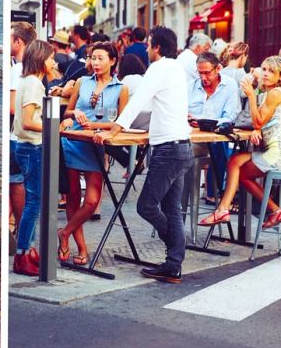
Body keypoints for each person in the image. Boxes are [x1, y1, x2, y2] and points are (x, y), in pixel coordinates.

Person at [95, 27, 194, 284]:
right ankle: (173, 265)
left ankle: (175, 247)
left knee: (146, 205)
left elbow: (138, 100)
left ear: (157, 47)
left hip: (169, 149)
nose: (147, 50)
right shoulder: (176, 69)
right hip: (182, 146)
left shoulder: (159, 68)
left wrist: (115, 129)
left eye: (150, 45)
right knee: (172, 208)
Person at [200, 56, 281, 229]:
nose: (266, 74)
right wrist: (257, 129)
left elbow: (258, 121)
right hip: (272, 149)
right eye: (264, 69)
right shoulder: (269, 93)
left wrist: (252, 97)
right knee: (234, 161)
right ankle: (226, 209)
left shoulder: (275, 93)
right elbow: (261, 122)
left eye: (272, 71)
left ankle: (271, 210)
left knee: (242, 173)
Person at [58, 42, 129, 265]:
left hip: (95, 145)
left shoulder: (121, 88)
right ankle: (82, 248)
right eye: (92, 58)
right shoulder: (81, 82)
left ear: (113, 60)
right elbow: (67, 111)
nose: (95, 63)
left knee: (91, 201)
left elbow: (121, 122)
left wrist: (101, 128)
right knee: (72, 198)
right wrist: (75, 112)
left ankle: (64, 232)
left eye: (99, 58)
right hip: (72, 141)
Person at [12, 40, 56, 276]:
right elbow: (29, 121)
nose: (54, 62)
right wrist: (53, 126)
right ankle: (21, 255)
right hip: (31, 148)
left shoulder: (30, 82)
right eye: (51, 58)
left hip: (26, 147)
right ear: (41, 59)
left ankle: (27, 251)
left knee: (34, 201)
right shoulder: (34, 84)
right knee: (33, 203)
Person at [188, 52, 240, 203]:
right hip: (193, 140)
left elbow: (230, 116)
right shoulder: (190, 87)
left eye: (207, 73)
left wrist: (207, 122)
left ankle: (216, 191)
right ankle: (183, 195)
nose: (203, 78)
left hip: (216, 138)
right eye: (200, 73)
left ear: (218, 68)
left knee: (218, 143)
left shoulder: (229, 85)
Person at [9, 21, 37, 238]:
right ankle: (20, 235)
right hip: (26, 137)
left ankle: (20, 235)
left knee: (17, 183)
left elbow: (12, 107)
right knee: (19, 183)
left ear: (18, 42)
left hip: (16, 135)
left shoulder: (18, 69)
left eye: (10, 38)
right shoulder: (28, 70)